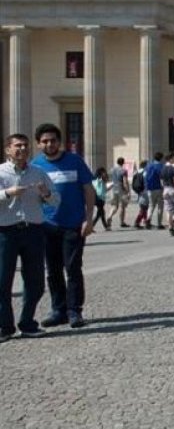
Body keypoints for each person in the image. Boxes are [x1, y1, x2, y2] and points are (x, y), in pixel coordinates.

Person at [32, 122, 96, 329]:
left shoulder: (75, 161)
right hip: (47, 225)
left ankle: (74, 311)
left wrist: (89, 217)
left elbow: (88, 190)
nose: (49, 144)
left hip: (74, 224)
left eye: (53, 140)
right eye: (45, 141)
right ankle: (58, 309)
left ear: (60, 142)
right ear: (38, 144)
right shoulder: (36, 166)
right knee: (53, 270)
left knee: (73, 268)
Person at [0, 133, 59, 342]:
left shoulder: (38, 172)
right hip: (5, 231)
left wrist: (46, 194)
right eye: (17, 146)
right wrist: (7, 193)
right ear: (8, 149)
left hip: (33, 230)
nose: (22, 149)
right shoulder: (0, 172)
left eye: (25, 146)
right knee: (2, 281)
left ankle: (27, 323)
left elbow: (55, 201)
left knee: (34, 281)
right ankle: (4, 326)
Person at [144, 152, 165, 229]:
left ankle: (148, 219)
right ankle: (159, 224)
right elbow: (162, 177)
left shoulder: (148, 166)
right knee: (160, 206)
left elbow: (145, 175)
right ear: (161, 158)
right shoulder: (161, 166)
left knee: (151, 206)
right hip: (158, 188)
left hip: (149, 188)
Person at [108, 157, 131, 228]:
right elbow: (125, 181)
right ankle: (122, 222)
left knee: (114, 206)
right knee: (122, 206)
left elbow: (111, 179)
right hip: (121, 189)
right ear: (123, 163)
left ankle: (109, 216)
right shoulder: (123, 170)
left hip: (114, 188)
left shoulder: (112, 170)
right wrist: (128, 191)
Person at [90, 166, 112, 231]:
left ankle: (106, 227)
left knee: (101, 213)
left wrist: (109, 187)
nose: (105, 173)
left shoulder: (95, 179)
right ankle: (92, 226)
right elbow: (106, 179)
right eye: (104, 171)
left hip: (98, 197)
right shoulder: (100, 179)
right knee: (100, 213)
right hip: (99, 198)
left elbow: (103, 189)